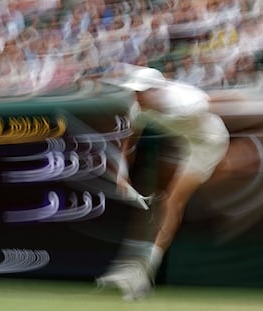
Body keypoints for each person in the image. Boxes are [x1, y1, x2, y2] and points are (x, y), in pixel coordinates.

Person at [97, 66, 230, 300]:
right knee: (166, 201)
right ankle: (143, 270)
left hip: (210, 144)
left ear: (156, 91)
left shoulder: (188, 101)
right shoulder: (139, 107)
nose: (135, 97)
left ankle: (146, 270)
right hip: (186, 144)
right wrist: (122, 171)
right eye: (134, 92)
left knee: (172, 201)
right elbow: (131, 136)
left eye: (140, 92)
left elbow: (212, 102)